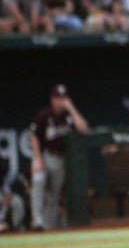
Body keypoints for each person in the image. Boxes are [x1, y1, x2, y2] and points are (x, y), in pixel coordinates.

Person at [29, 84, 88, 230]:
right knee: (38, 180)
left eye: (63, 98)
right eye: (58, 98)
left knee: (54, 194)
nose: (60, 101)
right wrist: (37, 159)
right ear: (52, 99)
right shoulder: (44, 115)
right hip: (46, 156)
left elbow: (84, 129)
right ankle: (37, 221)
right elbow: (34, 137)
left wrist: (71, 108)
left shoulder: (69, 116)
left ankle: (48, 227)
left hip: (62, 159)